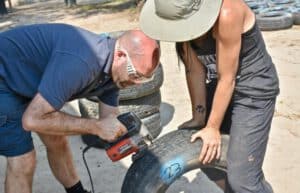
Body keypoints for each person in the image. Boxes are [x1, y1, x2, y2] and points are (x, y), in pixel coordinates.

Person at [0, 23, 160, 193]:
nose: (135, 83)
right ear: (120, 55)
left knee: (56, 138)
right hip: (3, 78)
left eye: (143, 80)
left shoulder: (116, 73)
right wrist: (96, 127)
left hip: (26, 77)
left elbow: (109, 119)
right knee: (23, 159)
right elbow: (32, 120)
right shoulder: (83, 62)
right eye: (134, 75)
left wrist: (128, 139)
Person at [139, 0, 279, 192]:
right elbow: (194, 71)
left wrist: (212, 127)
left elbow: (227, 78)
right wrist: (199, 116)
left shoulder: (228, 12)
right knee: (205, 156)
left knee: (242, 178)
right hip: (219, 86)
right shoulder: (181, 21)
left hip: (253, 91)